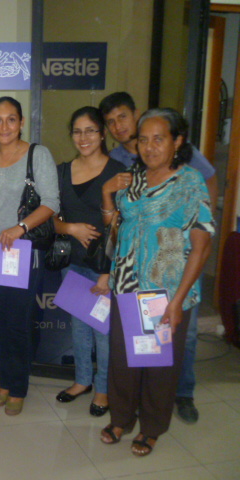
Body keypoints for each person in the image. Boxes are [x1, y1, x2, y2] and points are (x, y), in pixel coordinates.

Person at [99, 108, 214, 456]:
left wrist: (178, 302)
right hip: (127, 285)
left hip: (166, 292)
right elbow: (115, 228)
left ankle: (151, 427)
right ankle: (121, 418)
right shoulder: (131, 176)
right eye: (143, 140)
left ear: (177, 141)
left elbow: (202, 244)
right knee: (124, 359)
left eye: (158, 139)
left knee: (159, 363)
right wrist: (107, 195)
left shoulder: (190, 182)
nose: (149, 147)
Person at [0, 96, 59, 416]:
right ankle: (5, 380)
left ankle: (19, 386)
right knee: (2, 322)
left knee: (20, 322)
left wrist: (20, 228)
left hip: (23, 252)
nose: (4, 126)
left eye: (11, 119)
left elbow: (51, 202)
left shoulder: (37, 155)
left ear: (22, 122)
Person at [54, 107, 125, 416]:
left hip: (104, 268)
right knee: (79, 326)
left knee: (103, 332)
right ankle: (82, 380)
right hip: (71, 261)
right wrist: (70, 228)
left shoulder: (118, 172)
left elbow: (123, 225)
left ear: (102, 134)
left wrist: (107, 273)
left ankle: (104, 389)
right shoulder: (61, 171)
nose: (83, 138)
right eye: (77, 131)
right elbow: (48, 217)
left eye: (90, 131)